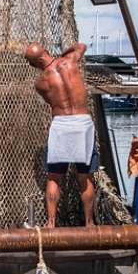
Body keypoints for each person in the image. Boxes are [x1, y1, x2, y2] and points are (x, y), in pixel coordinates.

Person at [25, 41, 97, 227]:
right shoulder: (70, 61)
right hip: (83, 123)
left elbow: (51, 101)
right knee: (85, 176)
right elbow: (81, 46)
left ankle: (51, 223)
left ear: (34, 65)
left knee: (54, 177)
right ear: (46, 52)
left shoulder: (40, 83)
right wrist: (62, 55)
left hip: (61, 124)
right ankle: (89, 224)